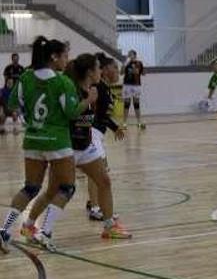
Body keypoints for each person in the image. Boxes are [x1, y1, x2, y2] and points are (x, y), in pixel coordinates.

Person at [22, 53, 131, 243]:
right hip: (67, 148)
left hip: (86, 146)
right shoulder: (71, 90)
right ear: (90, 72)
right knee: (53, 191)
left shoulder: (94, 90)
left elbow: (92, 119)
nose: (101, 71)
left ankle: (109, 227)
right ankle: (29, 225)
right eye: (98, 68)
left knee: (104, 181)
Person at [0, 37, 96, 253]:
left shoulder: (25, 78)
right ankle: (46, 232)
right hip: (57, 142)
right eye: (64, 56)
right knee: (67, 188)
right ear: (54, 57)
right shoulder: (62, 82)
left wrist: (28, 111)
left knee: (30, 187)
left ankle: (4, 230)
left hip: (33, 140)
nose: (66, 60)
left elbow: (12, 104)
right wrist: (88, 100)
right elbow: (72, 113)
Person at [85, 54, 125, 221]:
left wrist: (115, 128)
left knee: (98, 174)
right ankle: (96, 208)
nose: (117, 71)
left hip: (98, 135)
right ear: (106, 69)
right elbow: (96, 114)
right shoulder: (98, 87)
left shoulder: (106, 88)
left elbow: (103, 115)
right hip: (93, 133)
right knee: (99, 174)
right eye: (115, 67)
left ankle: (94, 204)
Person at [122, 50, 146, 130]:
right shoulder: (126, 63)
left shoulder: (139, 63)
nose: (129, 55)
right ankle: (124, 123)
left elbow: (143, 73)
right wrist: (125, 64)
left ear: (135, 55)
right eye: (129, 54)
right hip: (127, 85)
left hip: (136, 85)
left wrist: (138, 70)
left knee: (136, 104)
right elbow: (121, 72)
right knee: (127, 104)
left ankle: (139, 122)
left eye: (131, 54)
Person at [3, 52, 25, 133]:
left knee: (16, 110)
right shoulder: (8, 68)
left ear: (18, 59)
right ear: (12, 59)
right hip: (9, 89)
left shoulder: (21, 68)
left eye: (17, 58)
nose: (16, 60)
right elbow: (5, 78)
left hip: (19, 90)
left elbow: (24, 80)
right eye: (14, 59)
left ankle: (17, 128)